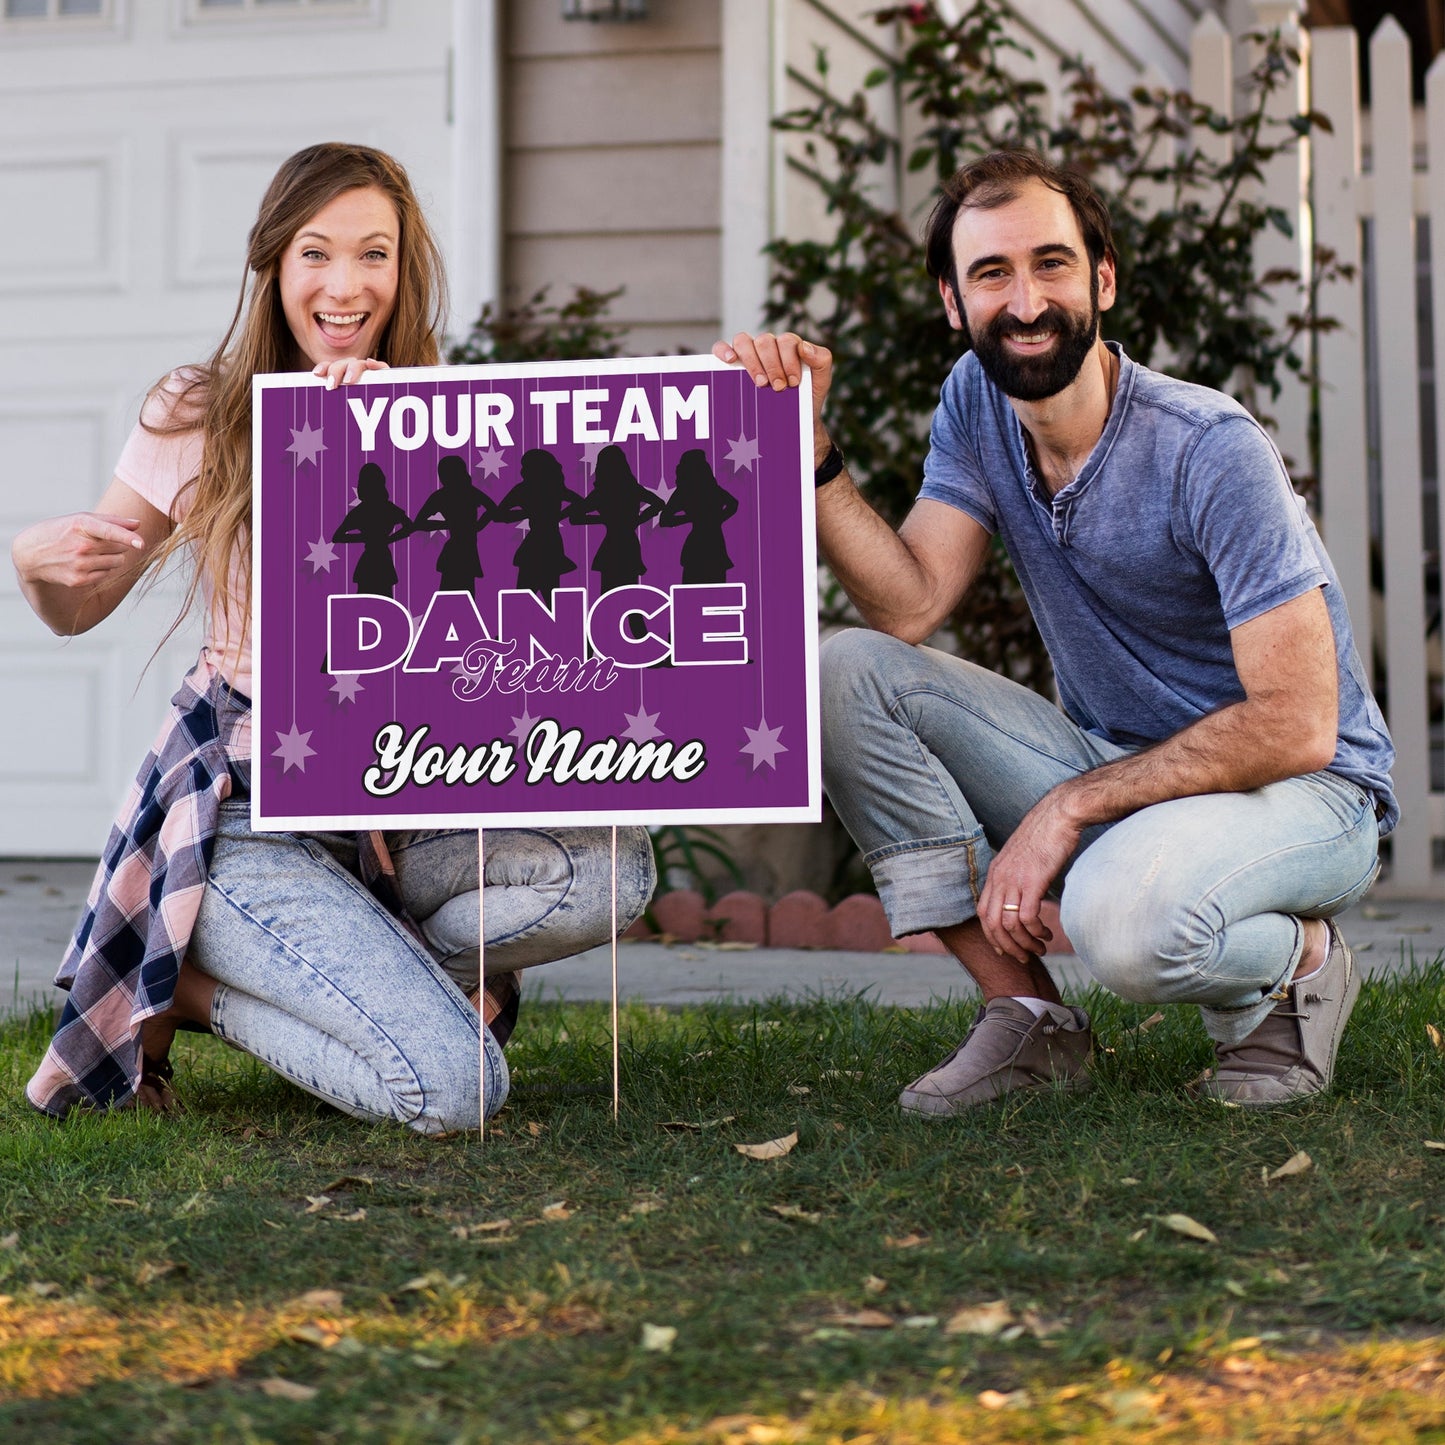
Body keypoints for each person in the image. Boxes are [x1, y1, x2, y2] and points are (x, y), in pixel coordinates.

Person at [717, 149, 1395, 1115]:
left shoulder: (1209, 447)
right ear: (953, 303)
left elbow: (1296, 725)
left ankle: (1304, 959)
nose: (1025, 301)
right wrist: (807, 450)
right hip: (1122, 764)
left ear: (1101, 279)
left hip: (1307, 793)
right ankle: (1030, 1019)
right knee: (844, 671)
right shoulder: (977, 404)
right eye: (991, 273)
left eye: (1051, 264)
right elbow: (907, 604)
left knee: (1120, 925)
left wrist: (1066, 808)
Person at [14, 143, 654, 1131]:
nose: (344, 284)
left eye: (374, 254)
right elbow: (80, 604)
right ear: (274, 266)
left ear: (405, 271)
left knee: (617, 869)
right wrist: (35, 571)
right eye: (316, 254)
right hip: (253, 809)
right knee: (456, 1086)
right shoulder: (201, 411)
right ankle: (186, 981)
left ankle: (355, 966)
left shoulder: (460, 420)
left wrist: (390, 439)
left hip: (402, 806)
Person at [332, 461, 413, 597]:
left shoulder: (362, 511)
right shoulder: (386, 508)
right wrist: (386, 539)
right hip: (378, 559)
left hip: (373, 560)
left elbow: (338, 536)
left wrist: (382, 539)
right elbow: (409, 526)